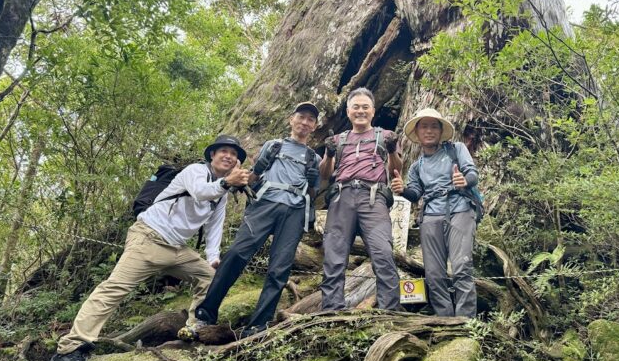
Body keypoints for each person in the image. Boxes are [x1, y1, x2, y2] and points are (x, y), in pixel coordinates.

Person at [45, 136, 250, 361]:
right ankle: (69, 350)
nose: (229, 156)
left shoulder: (221, 195)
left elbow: (215, 226)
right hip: (148, 238)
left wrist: (213, 257)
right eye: (223, 151)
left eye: (234, 154)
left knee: (210, 278)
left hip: (177, 249)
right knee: (113, 289)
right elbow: (200, 192)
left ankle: (196, 330)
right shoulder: (195, 171)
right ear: (212, 155)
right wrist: (226, 183)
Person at [192, 102, 322, 338]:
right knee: (236, 255)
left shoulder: (314, 158)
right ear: (291, 120)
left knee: (279, 269)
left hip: (294, 212)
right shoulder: (273, 146)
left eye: (310, 120)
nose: (305, 122)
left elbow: (313, 195)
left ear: (314, 126)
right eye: (301, 117)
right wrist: (249, 173)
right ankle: (205, 314)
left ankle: (258, 325)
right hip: (264, 205)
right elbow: (252, 179)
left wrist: (315, 181)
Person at [320, 87, 402, 311]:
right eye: (356, 107)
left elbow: (396, 170)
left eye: (365, 107)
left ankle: (389, 310)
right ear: (348, 111)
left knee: (382, 251)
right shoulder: (339, 140)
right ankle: (331, 308)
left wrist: (393, 150)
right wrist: (328, 154)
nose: (360, 111)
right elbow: (325, 174)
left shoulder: (384, 136)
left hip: (373, 197)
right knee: (334, 252)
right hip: (341, 197)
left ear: (373, 111)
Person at [391, 108, 480, 317]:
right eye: (424, 126)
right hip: (430, 215)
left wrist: (464, 180)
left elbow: (472, 173)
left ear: (441, 131)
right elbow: (415, 193)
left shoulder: (456, 149)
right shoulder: (416, 166)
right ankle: (445, 319)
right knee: (433, 273)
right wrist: (403, 190)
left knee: (461, 266)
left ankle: (466, 322)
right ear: (417, 132)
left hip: (459, 209)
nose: (429, 131)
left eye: (434, 126)